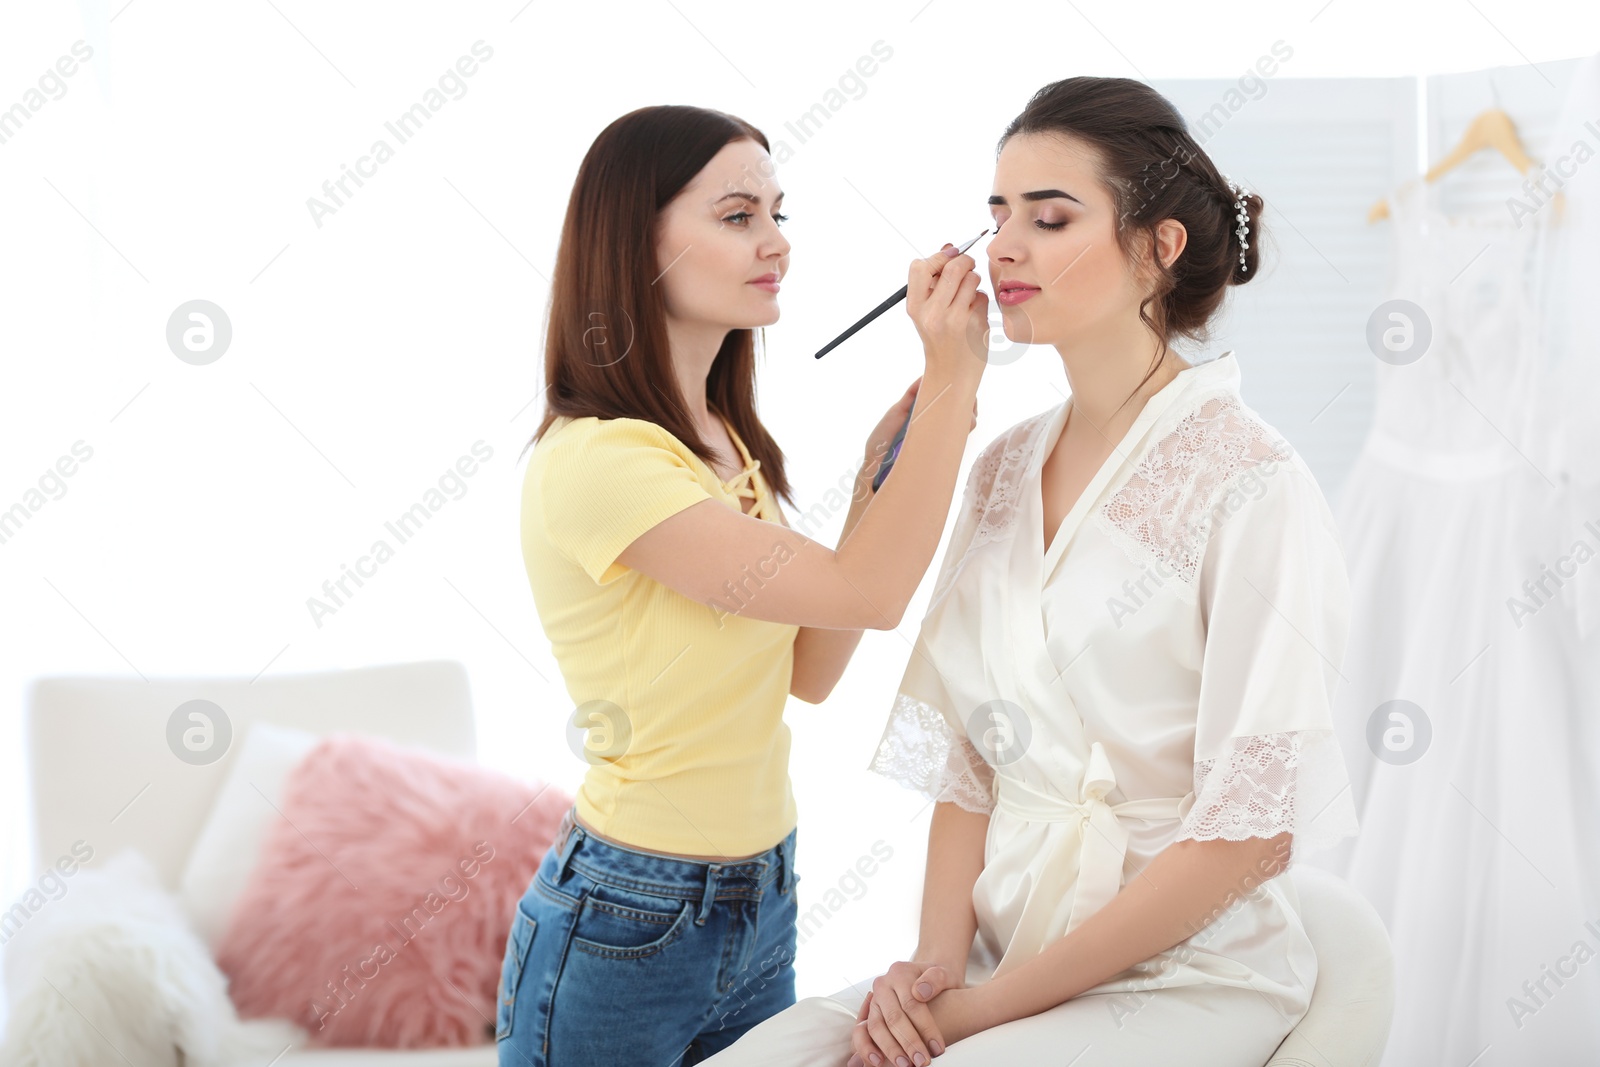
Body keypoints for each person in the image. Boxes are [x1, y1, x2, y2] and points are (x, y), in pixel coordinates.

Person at [699, 76, 1361, 1067]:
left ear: (1156, 246)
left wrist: (982, 1013)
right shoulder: (1003, 464)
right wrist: (930, 972)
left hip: (1184, 976)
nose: (1001, 247)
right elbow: (973, 758)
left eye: (1049, 218)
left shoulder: (1253, 484)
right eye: (996, 213)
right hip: (997, 956)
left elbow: (1247, 839)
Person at [496, 103, 988, 1067]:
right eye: (737, 216)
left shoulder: (724, 451)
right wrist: (954, 380)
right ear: (637, 243)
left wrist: (878, 475)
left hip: (758, 897)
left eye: (779, 213)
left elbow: (811, 665)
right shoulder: (603, 462)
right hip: (630, 913)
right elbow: (871, 593)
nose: (777, 244)